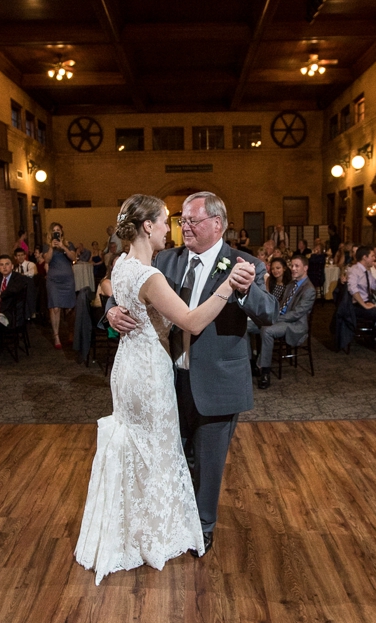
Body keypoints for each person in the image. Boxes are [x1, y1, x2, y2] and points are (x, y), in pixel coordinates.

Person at [76, 194, 260, 583]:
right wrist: (110, 313)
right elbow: (120, 287)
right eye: (176, 221)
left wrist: (241, 288)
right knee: (163, 455)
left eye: (192, 221)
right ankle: (157, 528)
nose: (181, 228)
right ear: (149, 226)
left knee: (204, 463)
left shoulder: (246, 263)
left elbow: (269, 311)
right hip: (163, 377)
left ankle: (200, 528)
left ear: (218, 224)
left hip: (213, 381)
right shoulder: (163, 261)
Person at [253, 254, 316, 389]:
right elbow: (281, 305)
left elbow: (297, 314)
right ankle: (252, 363)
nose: (293, 269)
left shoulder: (309, 289)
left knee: (267, 330)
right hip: (282, 319)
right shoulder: (291, 284)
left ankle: (265, 372)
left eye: (296, 266)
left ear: (305, 268)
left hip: (295, 325)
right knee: (248, 326)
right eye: (292, 266)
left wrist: (275, 319)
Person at [43, 221, 78, 349]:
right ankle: (56, 335)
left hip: (67, 280)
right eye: (54, 230)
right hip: (53, 280)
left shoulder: (69, 244)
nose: (56, 232)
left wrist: (63, 247)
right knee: (55, 307)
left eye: (58, 229)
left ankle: (71, 332)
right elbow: (46, 260)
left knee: (69, 308)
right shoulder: (46, 245)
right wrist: (52, 247)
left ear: (62, 231)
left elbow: (73, 257)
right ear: (51, 232)